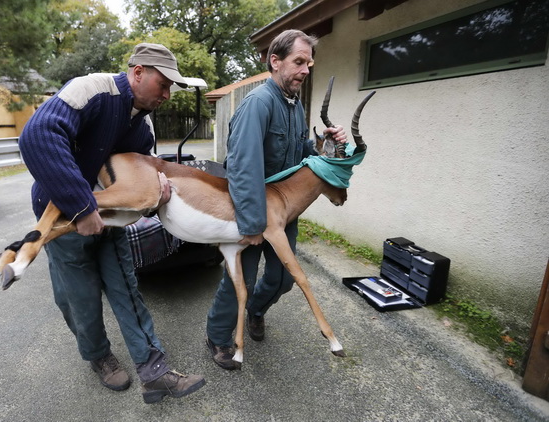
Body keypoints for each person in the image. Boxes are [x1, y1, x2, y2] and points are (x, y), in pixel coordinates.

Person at [19, 43, 205, 403]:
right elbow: (38, 135)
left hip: (113, 220)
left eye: (171, 88)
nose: (167, 95)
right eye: (163, 84)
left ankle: (155, 371)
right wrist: (82, 208)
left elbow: (142, 180)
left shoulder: (145, 128)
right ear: (137, 72)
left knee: (126, 290)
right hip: (63, 218)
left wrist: (157, 198)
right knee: (79, 297)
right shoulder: (90, 89)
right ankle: (99, 356)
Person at [206, 29, 348, 370]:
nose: (305, 70)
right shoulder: (259, 104)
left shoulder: (295, 105)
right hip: (252, 209)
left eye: (309, 63)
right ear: (275, 61)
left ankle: (255, 310)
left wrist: (324, 144)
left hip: (285, 212)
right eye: (299, 62)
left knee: (284, 278)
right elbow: (240, 168)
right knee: (241, 276)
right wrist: (252, 223)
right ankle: (218, 335)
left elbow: (301, 156)